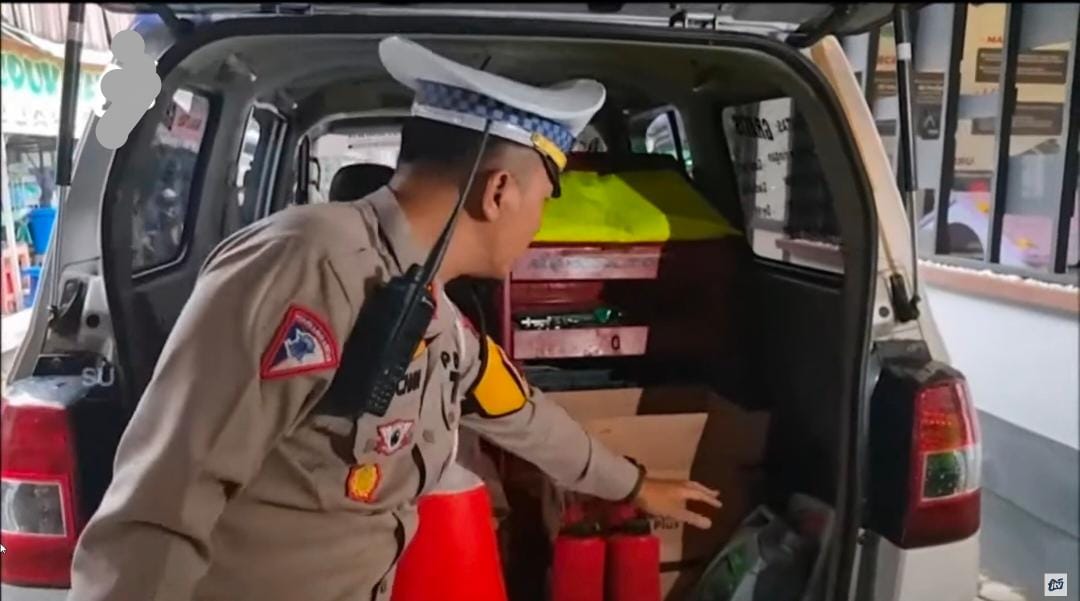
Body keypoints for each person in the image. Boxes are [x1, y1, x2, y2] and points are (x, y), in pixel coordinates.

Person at [69, 36, 721, 601]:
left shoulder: (432, 306)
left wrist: (632, 484)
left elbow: (518, 411)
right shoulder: (308, 265)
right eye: (544, 201)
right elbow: (158, 510)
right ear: (499, 192)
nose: (539, 226)